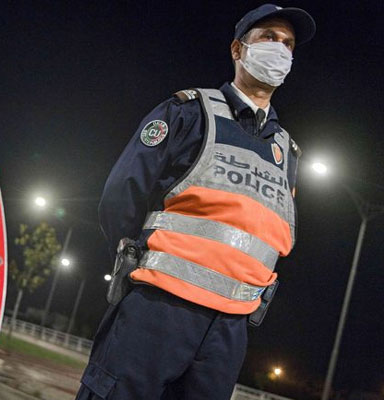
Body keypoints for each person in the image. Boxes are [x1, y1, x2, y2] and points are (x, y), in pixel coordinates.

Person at [75, 4, 316, 400]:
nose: (280, 50)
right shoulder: (189, 113)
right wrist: (138, 262)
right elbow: (121, 197)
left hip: (229, 331)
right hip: (158, 308)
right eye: (269, 38)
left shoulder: (287, 153)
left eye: (288, 44)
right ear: (238, 50)